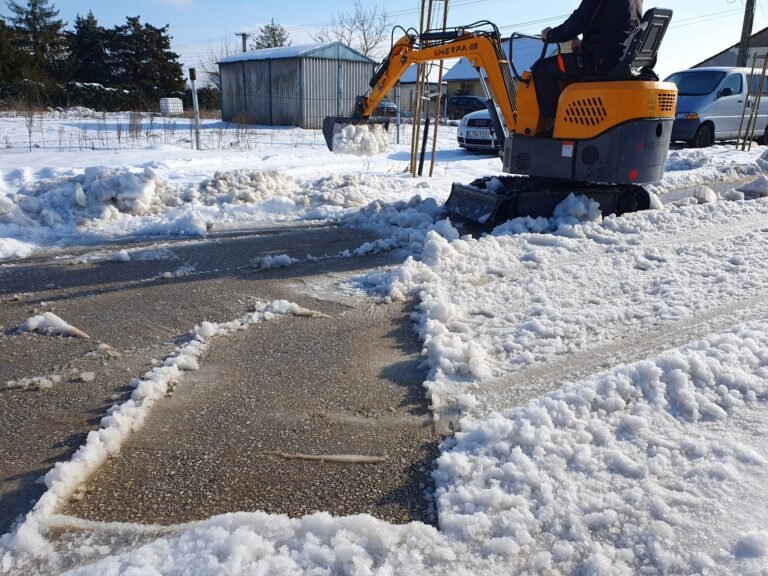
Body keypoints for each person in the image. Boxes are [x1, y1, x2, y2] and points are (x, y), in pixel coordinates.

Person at [531, 0, 642, 136]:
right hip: (616, 57)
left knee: (541, 69)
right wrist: (585, 43)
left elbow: (578, 20)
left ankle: (554, 126)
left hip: (598, 62)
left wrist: (550, 35)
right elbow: (619, 27)